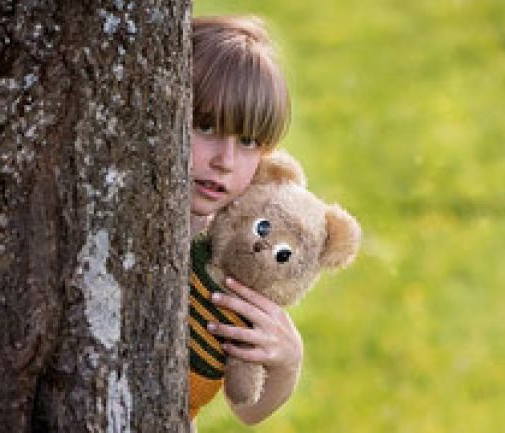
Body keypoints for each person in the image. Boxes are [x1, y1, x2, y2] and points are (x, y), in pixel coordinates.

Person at [187, 16, 302, 427]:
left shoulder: (236, 249)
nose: (225, 161)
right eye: (205, 127)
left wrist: (287, 365)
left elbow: (247, 410)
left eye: (248, 141)